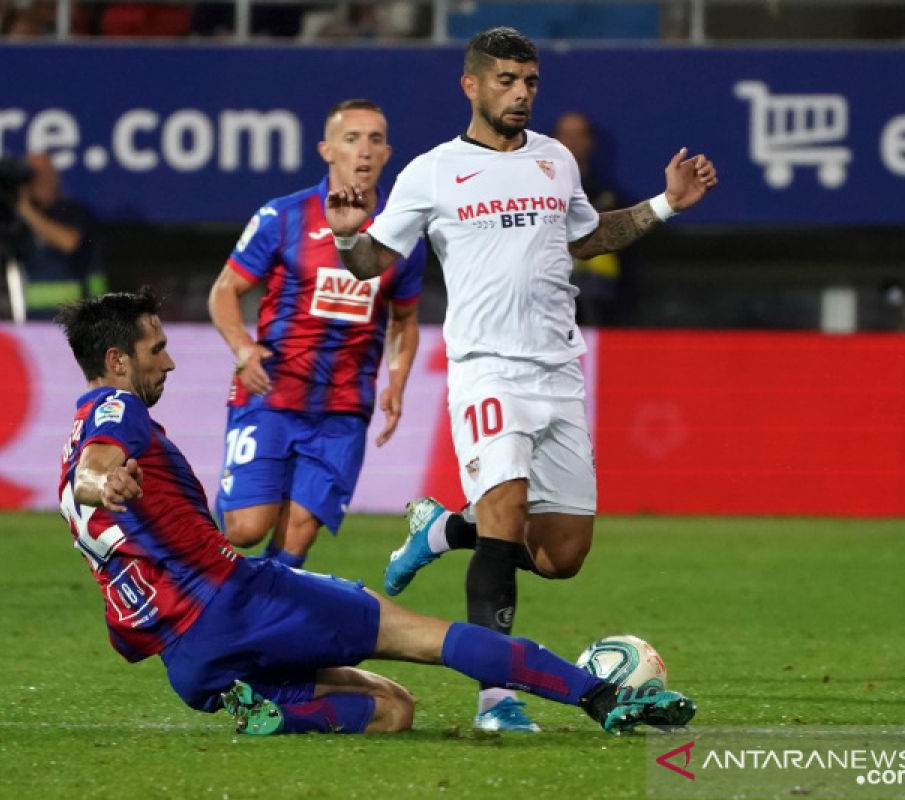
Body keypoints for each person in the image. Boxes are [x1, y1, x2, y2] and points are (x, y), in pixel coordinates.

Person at [54, 288, 697, 736]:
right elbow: (97, 465)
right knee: (424, 635)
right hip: (236, 600)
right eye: (155, 348)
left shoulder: (69, 444)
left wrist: (96, 483)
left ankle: (274, 714)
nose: (168, 358)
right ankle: (600, 695)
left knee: (393, 710)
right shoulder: (115, 412)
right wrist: (105, 482)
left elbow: (83, 472)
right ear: (117, 362)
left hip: (190, 659)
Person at [325, 27, 717, 732]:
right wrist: (350, 235)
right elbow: (368, 263)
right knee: (505, 519)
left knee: (561, 555)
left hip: (558, 370)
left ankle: (442, 529)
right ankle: (494, 699)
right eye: (506, 80)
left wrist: (663, 205)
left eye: (530, 81)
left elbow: (588, 236)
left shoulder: (555, 161)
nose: (521, 94)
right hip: (486, 369)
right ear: (470, 85)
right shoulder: (434, 171)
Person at [207, 99, 426, 569]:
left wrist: (397, 380)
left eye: (374, 140)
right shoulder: (282, 217)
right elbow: (225, 290)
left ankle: (257, 624)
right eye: (351, 139)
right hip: (272, 393)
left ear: (388, 153)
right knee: (245, 529)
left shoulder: (402, 234)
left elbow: (405, 322)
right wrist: (244, 349)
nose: (363, 151)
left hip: (343, 407)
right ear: (327, 150)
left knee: (299, 534)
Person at [553, 110, 624, 326]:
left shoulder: (609, 196)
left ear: (590, 142)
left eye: (578, 135)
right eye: (566, 135)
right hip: (546, 291)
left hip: (598, 297)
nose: (572, 143)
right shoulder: (532, 192)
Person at [14, 153, 104, 319]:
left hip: (80, 319)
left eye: (47, 174)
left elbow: (69, 242)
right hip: (33, 324)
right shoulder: (18, 222)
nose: (41, 180)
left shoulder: (73, 211)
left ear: (57, 177)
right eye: (34, 175)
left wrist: (25, 210)